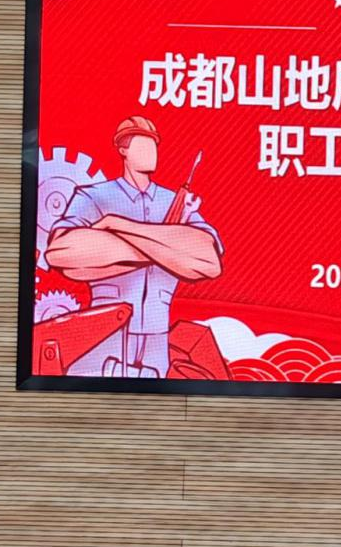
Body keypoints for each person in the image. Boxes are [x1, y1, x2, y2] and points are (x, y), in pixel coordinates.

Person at [45, 116, 223, 378]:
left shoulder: (174, 202)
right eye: (143, 144)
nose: (152, 152)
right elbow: (60, 250)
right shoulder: (95, 196)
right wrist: (168, 250)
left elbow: (209, 260)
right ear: (123, 150)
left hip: (157, 339)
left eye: (154, 145)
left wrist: (118, 225)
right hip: (104, 332)